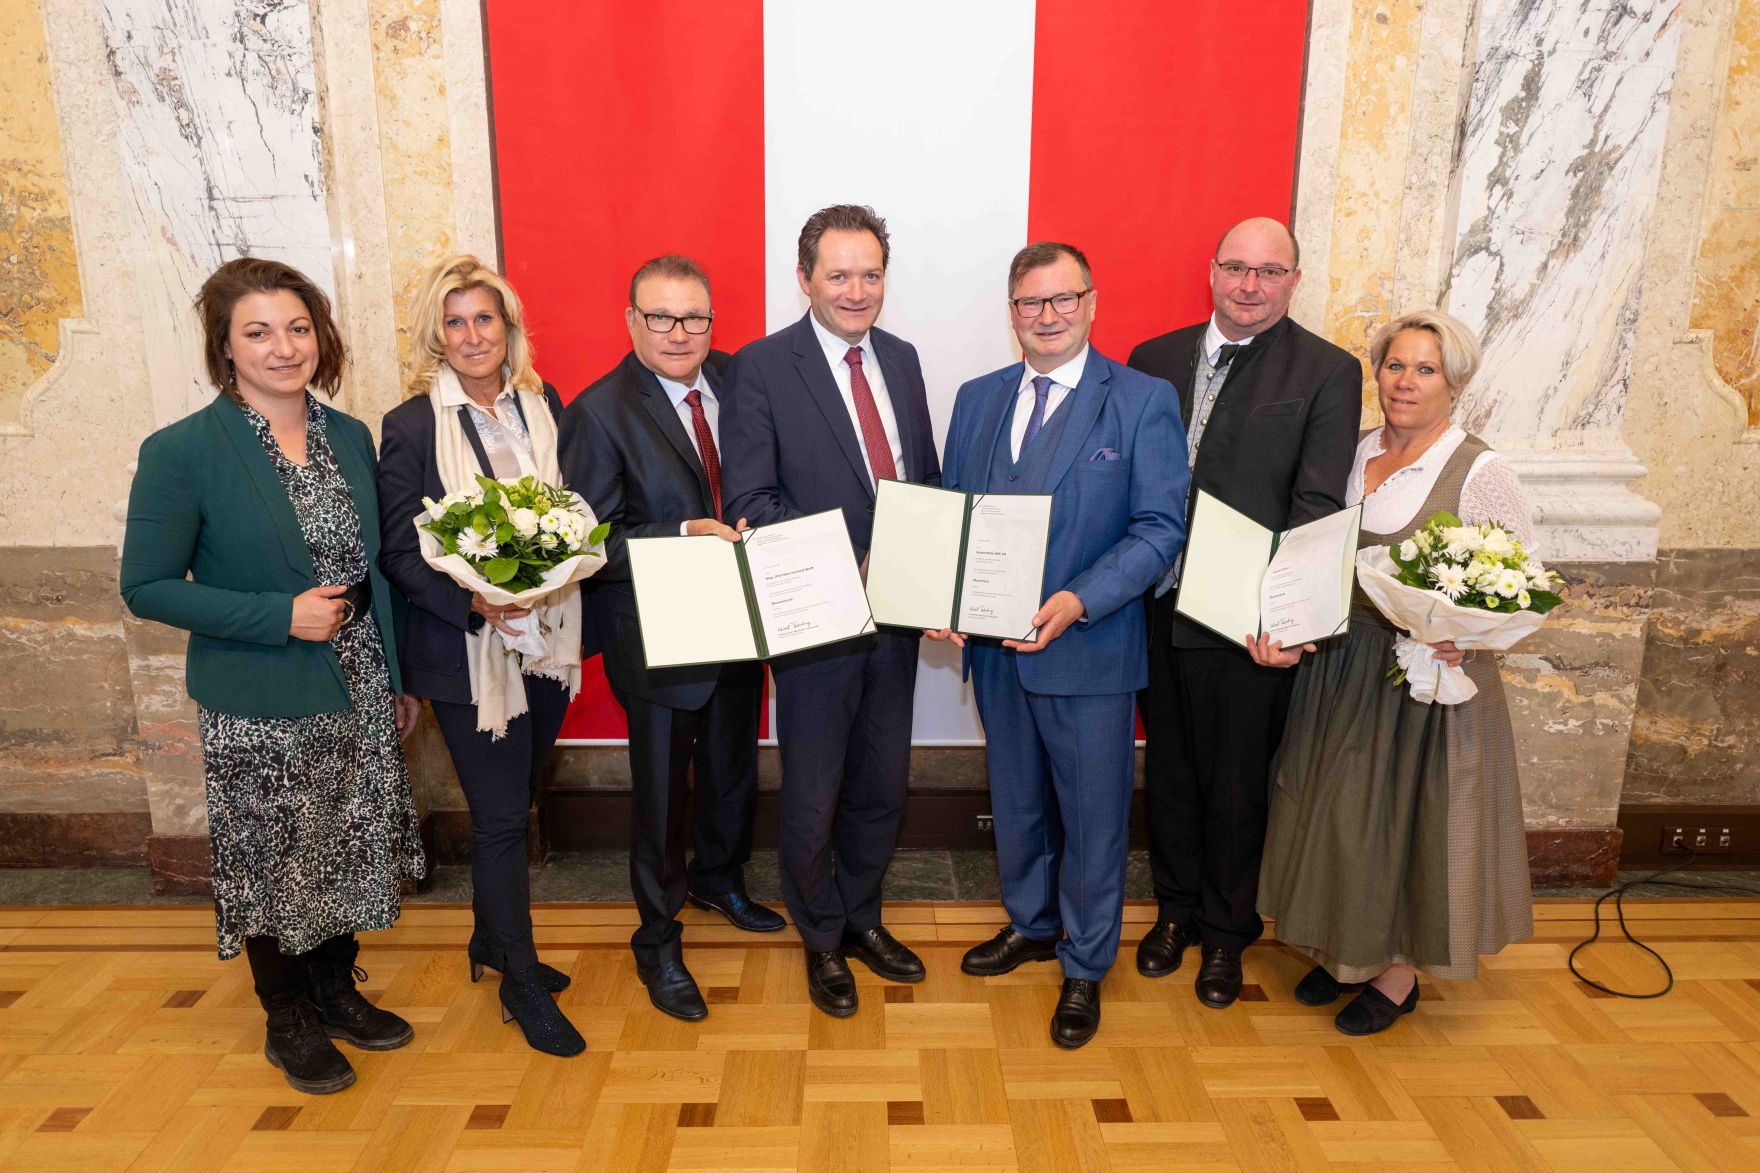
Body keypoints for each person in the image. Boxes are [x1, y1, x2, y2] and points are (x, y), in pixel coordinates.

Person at [120, 258, 425, 1095]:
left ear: (319, 335)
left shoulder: (350, 436)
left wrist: (396, 677)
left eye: (296, 327)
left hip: (358, 682)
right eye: (257, 331)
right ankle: (285, 1012)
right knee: (278, 859)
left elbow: (376, 571)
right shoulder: (182, 449)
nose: (282, 347)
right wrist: (277, 615)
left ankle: (334, 987)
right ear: (225, 347)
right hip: (260, 692)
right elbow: (144, 585)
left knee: (348, 843)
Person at [930, 242, 1186, 1048]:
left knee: (1094, 816)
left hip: (1090, 649)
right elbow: (952, 514)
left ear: (1092, 302)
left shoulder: (1142, 400)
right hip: (996, 655)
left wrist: (1080, 600)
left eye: (1062, 300)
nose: (1046, 316)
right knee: (1018, 802)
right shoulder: (977, 399)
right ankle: (1032, 924)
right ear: (1012, 313)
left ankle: (1083, 963)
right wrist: (941, 593)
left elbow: (1159, 530)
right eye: (1030, 303)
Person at [1252, 309, 1535, 1035]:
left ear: (1455, 382)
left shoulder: (1480, 469)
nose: (1404, 382)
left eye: (1425, 369)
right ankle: (1349, 951)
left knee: (1406, 824)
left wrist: (1465, 643)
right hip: (1343, 667)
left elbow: (1519, 581)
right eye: (1394, 366)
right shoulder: (1352, 450)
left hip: (1421, 684)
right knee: (1341, 814)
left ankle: (1399, 971)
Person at [1127, 217, 1363, 1008]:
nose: (1250, 285)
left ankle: (1228, 934)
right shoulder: (1153, 360)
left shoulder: (1328, 370)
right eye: (1236, 267)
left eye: (1269, 271)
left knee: (1235, 784)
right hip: (1152, 605)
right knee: (1171, 772)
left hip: (1248, 622)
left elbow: (1317, 502)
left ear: (1294, 280)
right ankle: (1176, 914)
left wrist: (1288, 619)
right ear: (1212, 272)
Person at [720, 205, 941, 1017]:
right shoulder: (761, 368)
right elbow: (749, 499)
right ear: (805, 277)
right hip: (816, 621)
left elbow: (923, 482)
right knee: (814, 792)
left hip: (899, 620)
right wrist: (843, 562)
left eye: (871, 273)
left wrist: (936, 568)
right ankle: (819, 938)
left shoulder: (906, 360)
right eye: (840, 273)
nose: (857, 289)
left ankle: (862, 916)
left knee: (883, 783)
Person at [558, 255, 784, 1022]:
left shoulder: (739, 379)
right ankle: (656, 935)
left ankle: (721, 878)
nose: (680, 332)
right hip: (658, 634)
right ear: (631, 322)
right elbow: (587, 544)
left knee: (729, 768)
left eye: (695, 317)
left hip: (741, 617)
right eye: (661, 317)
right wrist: (683, 530)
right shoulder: (597, 410)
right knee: (661, 795)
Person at [377, 256, 585, 1057]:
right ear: (439, 333)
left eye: (485, 319)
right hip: (468, 657)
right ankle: (522, 983)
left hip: (549, 642)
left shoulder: (544, 405)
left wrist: (545, 581)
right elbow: (401, 550)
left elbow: (564, 512)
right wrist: (478, 602)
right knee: (500, 818)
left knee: (519, 796)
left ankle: (491, 938)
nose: (472, 335)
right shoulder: (410, 424)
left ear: (508, 329)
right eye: (456, 321)